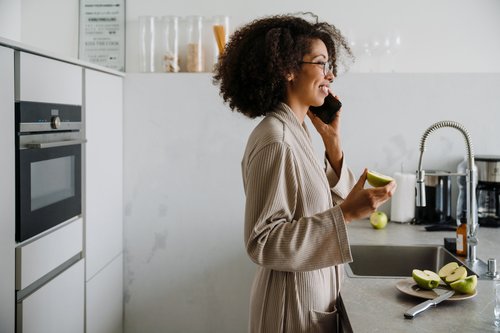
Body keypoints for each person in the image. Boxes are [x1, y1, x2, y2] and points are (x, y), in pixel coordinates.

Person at [213, 13, 396, 333]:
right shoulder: (276, 140)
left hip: (308, 297)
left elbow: (314, 202)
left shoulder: (295, 131)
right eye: (321, 63)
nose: (331, 75)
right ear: (287, 69)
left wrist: (333, 146)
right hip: (290, 308)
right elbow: (263, 241)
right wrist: (346, 215)